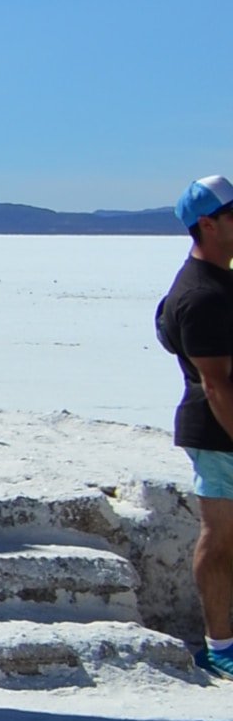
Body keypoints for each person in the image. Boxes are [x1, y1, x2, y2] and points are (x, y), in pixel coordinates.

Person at [153, 174, 233, 677]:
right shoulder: (203, 295)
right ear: (207, 224)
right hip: (220, 433)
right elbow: (218, 383)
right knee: (222, 538)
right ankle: (222, 650)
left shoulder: (219, 282)